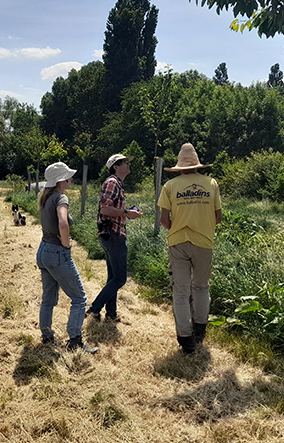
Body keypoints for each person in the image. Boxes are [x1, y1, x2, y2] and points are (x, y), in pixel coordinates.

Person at [157, 143, 222, 355]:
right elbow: (218, 218)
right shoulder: (211, 184)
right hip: (204, 242)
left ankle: (185, 339)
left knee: (181, 291)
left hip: (178, 242)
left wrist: (179, 223)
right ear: (197, 165)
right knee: (201, 287)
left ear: (179, 166)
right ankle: (200, 330)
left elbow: (164, 220)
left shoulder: (170, 186)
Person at [36, 162, 99, 354]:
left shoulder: (45, 198)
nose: (71, 179)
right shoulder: (60, 198)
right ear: (61, 180)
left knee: (48, 297)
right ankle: (75, 340)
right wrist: (66, 243)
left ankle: (47, 335)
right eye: (69, 177)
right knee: (79, 298)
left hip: (43, 250)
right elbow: (63, 224)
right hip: (57, 252)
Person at [86, 153, 143, 323]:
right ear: (115, 167)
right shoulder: (112, 183)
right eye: (125, 163)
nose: (128, 165)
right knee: (120, 278)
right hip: (113, 235)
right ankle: (94, 308)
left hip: (111, 234)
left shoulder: (117, 183)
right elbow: (105, 209)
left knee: (113, 277)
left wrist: (127, 213)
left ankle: (111, 313)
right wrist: (127, 213)